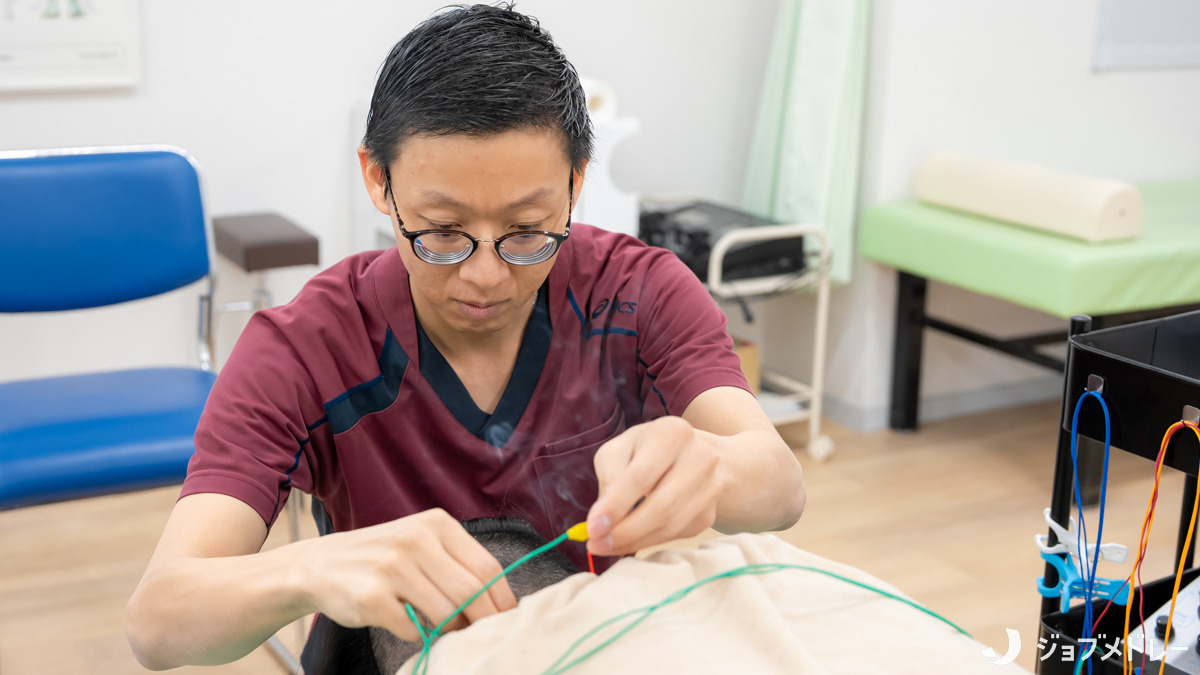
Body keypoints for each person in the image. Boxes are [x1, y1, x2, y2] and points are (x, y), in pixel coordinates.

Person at [126, 3, 806, 669]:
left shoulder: (637, 294)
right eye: (444, 232)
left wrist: (709, 470)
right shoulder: (307, 346)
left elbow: (779, 488)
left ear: (574, 186)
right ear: (378, 180)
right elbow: (159, 622)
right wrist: (310, 568)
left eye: (525, 231)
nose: (484, 276)